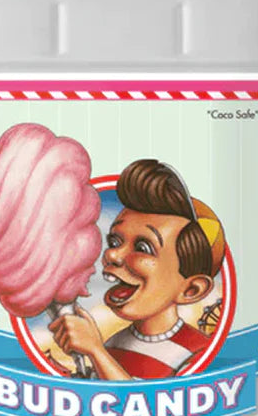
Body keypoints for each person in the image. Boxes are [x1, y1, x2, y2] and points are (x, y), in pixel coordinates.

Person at [50, 159, 226, 380]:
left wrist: (96, 352)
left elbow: (144, 400)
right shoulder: (114, 344)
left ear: (191, 289)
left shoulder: (200, 353)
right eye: (115, 242)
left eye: (143, 248)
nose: (112, 255)